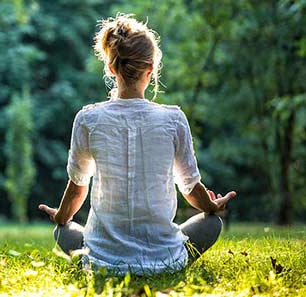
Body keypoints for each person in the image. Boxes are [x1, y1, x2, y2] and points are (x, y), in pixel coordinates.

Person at [39, 13, 236, 275]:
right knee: (212, 224)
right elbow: (190, 187)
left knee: (62, 231)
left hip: (101, 262)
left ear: (111, 68)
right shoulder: (173, 119)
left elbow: (77, 187)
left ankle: (102, 256)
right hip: (164, 259)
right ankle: (164, 262)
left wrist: (61, 217)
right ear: (151, 69)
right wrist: (212, 206)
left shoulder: (87, 118)